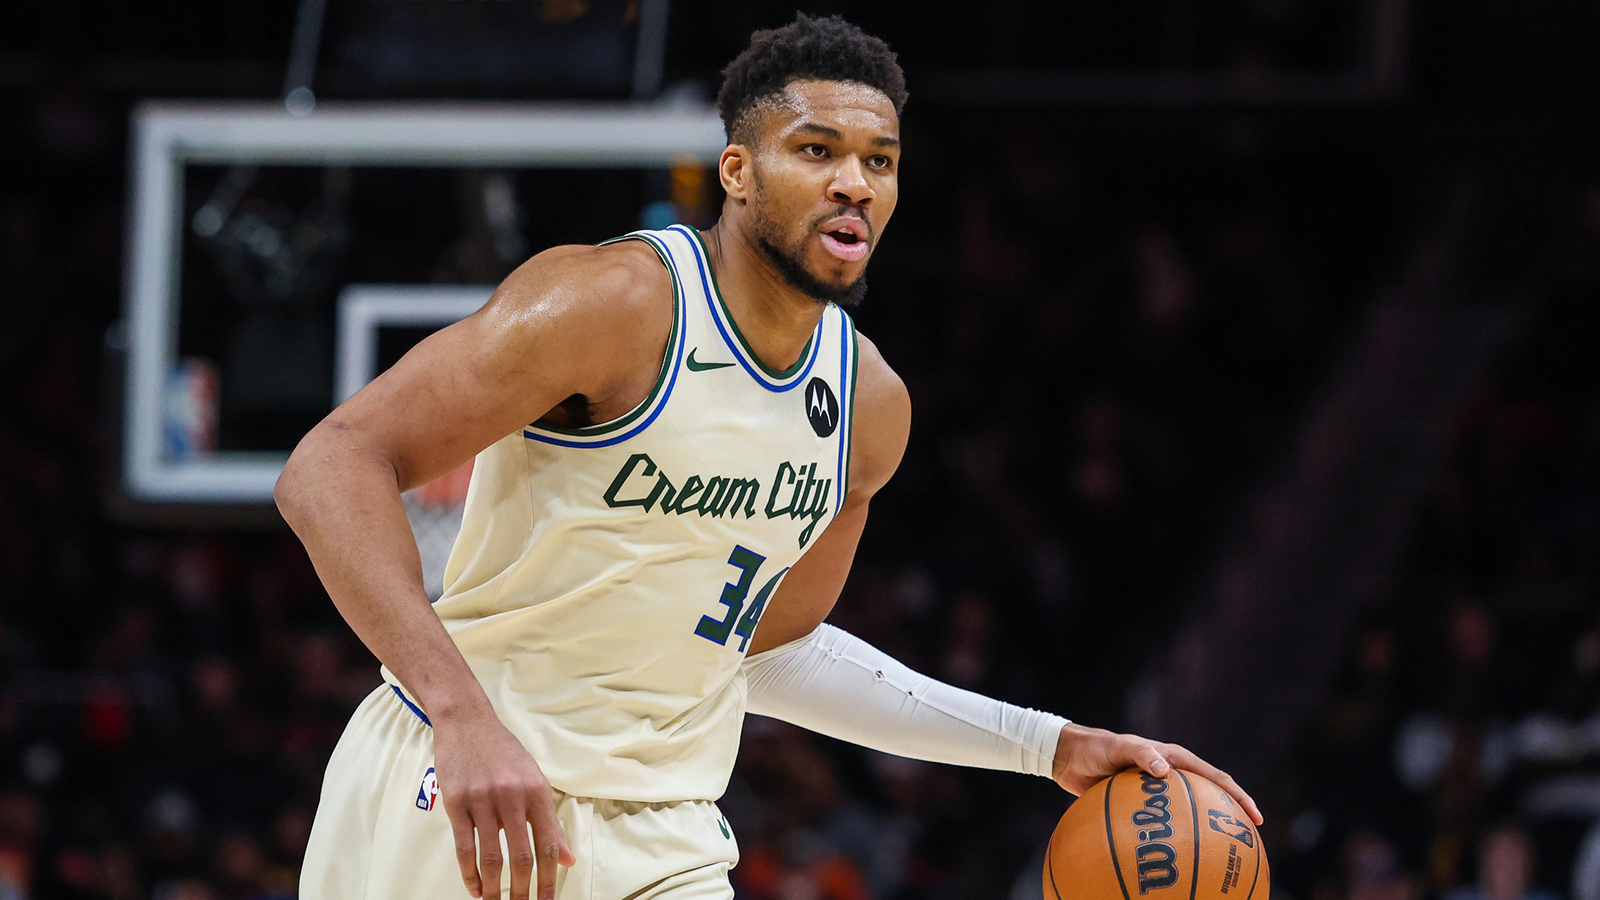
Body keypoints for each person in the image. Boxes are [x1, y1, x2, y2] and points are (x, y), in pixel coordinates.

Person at [275, 13, 1262, 900]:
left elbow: (770, 649)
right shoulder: (611, 305)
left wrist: (1047, 746)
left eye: (880, 161)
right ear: (737, 172)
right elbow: (329, 466)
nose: (853, 182)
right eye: (817, 149)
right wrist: (463, 715)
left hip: (663, 837)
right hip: (462, 790)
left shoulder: (869, 407)